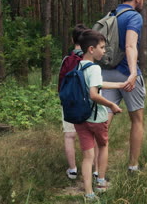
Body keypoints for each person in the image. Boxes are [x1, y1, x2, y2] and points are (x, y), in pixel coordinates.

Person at [74, 30, 124, 200]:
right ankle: (101, 183)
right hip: (96, 118)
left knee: (87, 156)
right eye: (102, 47)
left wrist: (119, 85)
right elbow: (94, 94)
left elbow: (97, 84)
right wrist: (112, 105)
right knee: (103, 146)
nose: (104, 51)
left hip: (80, 118)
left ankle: (88, 193)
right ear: (91, 49)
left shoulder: (79, 65)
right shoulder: (95, 67)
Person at [102, 0, 146, 172]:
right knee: (137, 119)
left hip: (107, 73)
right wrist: (133, 72)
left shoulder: (110, 15)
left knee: (104, 121)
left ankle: (96, 169)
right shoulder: (134, 16)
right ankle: (133, 166)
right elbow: (130, 46)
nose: (143, 1)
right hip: (127, 74)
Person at [58, 24, 86, 180]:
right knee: (89, 135)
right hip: (87, 104)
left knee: (69, 136)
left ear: (72, 39)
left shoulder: (67, 60)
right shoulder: (89, 59)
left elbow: (60, 85)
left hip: (69, 104)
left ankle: (73, 170)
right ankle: (93, 169)